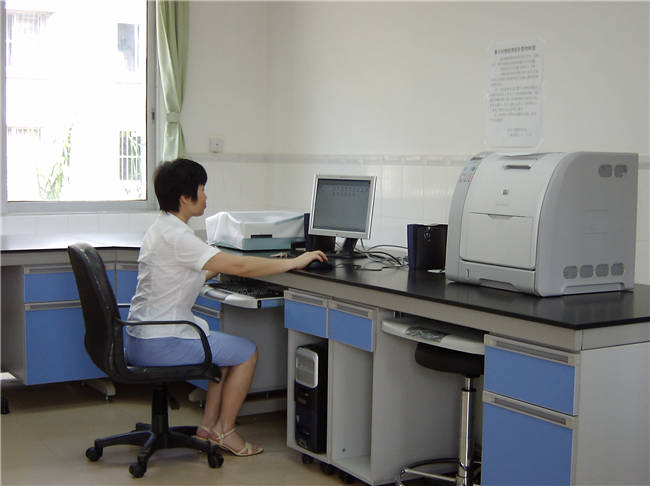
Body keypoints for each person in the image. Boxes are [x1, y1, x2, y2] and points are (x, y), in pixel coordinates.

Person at [125, 158, 327, 457]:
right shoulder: (179, 237)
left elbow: (189, 272)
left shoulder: (162, 229)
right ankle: (226, 431)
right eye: (202, 189)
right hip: (161, 342)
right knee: (247, 353)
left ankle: (209, 428)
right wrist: (294, 262)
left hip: (142, 336)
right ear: (185, 197)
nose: (206, 196)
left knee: (224, 353)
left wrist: (241, 265)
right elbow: (241, 265)